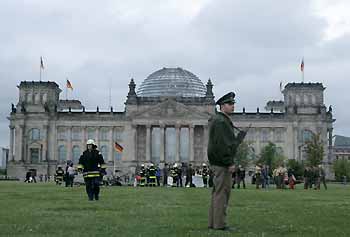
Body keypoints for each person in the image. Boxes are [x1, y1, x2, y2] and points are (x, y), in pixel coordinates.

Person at [207, 92, 247, 231]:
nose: (233, 106)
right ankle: (220, 224)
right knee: (222, 194)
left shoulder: (220, 120)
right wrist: (229, 162)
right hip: (222, 163)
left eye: (233, 104)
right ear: (222, 106)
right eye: (230, 104)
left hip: (218, 162)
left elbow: (227, 144)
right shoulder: (221, 121)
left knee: (217, 193)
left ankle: (214, 223)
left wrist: (238, 139)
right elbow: (223, 145)